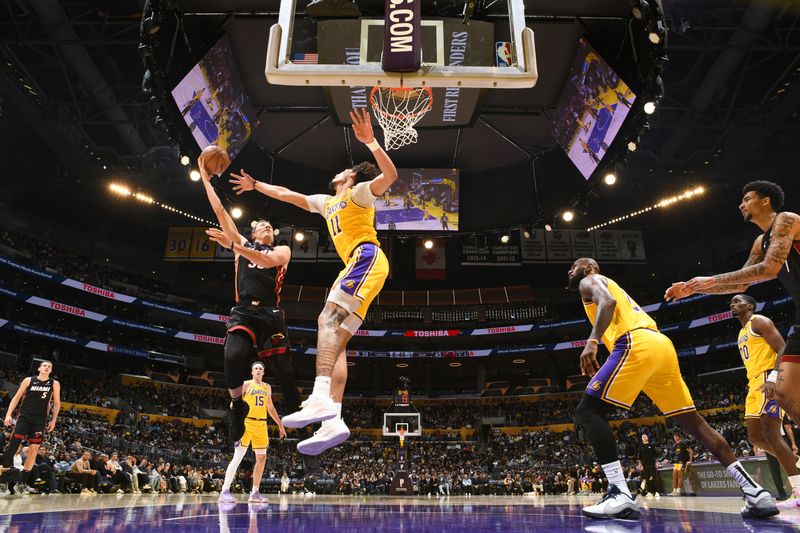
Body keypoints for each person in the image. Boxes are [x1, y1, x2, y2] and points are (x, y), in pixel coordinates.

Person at [228, 108, 396, 455]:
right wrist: (256, 185)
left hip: (366, 258)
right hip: (359, 265)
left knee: (326, 319)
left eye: (345, 168)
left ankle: (320, 396)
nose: (339, 169)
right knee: (338, 344)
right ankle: (333, 420)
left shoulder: (359, 193)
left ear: (350, 176)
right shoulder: (327, 202)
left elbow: (390, 175)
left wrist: (372, 142)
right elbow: (289, 195)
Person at [568, 257, 778, 519]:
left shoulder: (590, 280)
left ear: (588, 268)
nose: (569, 271)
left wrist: (592, 341)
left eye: (573, 267)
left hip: (636, 342)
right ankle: (755, 491)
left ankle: (619, 492)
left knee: (588, 411)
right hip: (660, 346)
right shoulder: (612, 286)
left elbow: (607, 303)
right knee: (695, 424)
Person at [198, 152, 310, 465]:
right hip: (244, 311)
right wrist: (206, 180)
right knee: (232, 357)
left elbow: (263, 260)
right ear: (253, 232)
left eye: (269, 226)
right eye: (261, 225)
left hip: (271, 315)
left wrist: (233, 245)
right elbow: (220, 211)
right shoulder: (241, 246)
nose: (267, 227)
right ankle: (237, 406)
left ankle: (302, 430)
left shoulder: (282, 250)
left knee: (285, 375)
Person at [665, 181, 800, 422]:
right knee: (782, 391)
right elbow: (741, 285)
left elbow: (770, 268)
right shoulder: (761, 242)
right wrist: (694, 290)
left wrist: (709, 280)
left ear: (766, 200)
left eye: (747, 199)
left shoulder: (787, 219)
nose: (741, 204)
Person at [730, 293, 800, 505]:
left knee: (771, 432)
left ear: (750, 305)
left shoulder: (758, 321)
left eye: (737, 301)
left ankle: (797, 490)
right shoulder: (741, 332)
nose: (732, 305)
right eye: (731, 302)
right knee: (756, 437)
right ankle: (797, 462)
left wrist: (773, 378)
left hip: (767, 378)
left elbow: (782, 348)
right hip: (753, 384)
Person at [219, 362, 286, 504]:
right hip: (246, 423)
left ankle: (255, 492)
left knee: (262, 458)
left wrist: (280, 425)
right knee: (238, 456)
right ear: (252, 372)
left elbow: (270, 407)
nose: (258, 370)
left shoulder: (267, 387)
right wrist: (235, 410)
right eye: (256, 368)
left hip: (261, 424)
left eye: (261, 369)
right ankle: (224, 491)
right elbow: (234, 402)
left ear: (263, 372)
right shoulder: (246, 384)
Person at [0, 360, 60, 489]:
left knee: (33, 450)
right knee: (13, 446)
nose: (47, 367)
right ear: (39, 368)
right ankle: (3, 479)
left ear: (51, 370)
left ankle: (22, 482)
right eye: (44, 365)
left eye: (49, 366)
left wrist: (53, 420)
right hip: (24, 417)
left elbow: (56, 404)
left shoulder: (54, 384)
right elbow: (16, 398)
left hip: (40, 420)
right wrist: (8, 414)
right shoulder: (28, 380)